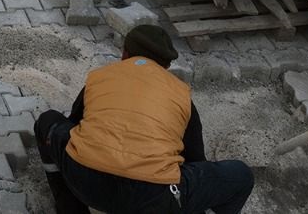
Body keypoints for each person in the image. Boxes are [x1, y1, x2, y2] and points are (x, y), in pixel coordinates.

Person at [35, 25, 255, 214]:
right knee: (241, 176)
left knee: (47, 121)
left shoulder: (101, 77)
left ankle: (68, 208)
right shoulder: (181, 96)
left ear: (124, 53)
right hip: (153, 199)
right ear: (167, 66)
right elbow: (196, 160)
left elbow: (74, 126)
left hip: (84, 181)